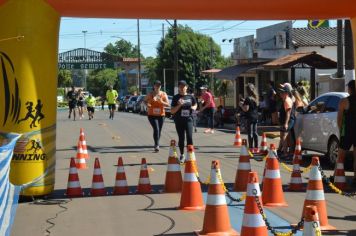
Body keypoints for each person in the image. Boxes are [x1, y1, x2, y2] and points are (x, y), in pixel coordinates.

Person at [171, 80, 197, 162]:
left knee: (189, 137)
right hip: (179, 120)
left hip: (189, 119)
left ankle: (190, 155)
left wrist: (194, 108)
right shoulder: (176, 97)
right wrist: (179, 105)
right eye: (180, 86)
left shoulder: (190, 97)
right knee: (181, 138)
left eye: (184, 86)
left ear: (187, 87)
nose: (182, 88)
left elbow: (195, 104)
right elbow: (172, 111)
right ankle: (182, 155)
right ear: (178, 87)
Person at [337, 80, 356, 186]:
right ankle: (355, 178)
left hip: (347, 131)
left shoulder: (344, 101)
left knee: (341, 156)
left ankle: (338, 176)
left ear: (349, 89)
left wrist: (341, 131)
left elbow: (339, 119)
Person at [144, 80, 170, 152]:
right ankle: (156, 145)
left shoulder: (163, 94)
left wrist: (161, 102)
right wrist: (147, 105)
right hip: (151, 115)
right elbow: (144, 101)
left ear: (160, 86)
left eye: (159, 85)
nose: (157, 86)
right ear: (154, 86)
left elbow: (168, 104)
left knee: (159, 130)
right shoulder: (150, 94)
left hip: (161, 115)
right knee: (156, 129)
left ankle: (156, 143)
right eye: (156, 85)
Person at [277, 83, 296, 157]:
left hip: (288, 120)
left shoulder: (287, 100)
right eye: (280, 92)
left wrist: (286, 123)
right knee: (286, 136)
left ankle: (285, 153)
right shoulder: (285, 99)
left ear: (286, 93)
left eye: (282, 92)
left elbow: (288, 113)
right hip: (285, 120)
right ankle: (288, 152)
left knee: (284, 136)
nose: (280, 93)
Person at [239, 83, 259, 153]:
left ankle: (251, 148)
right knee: (255, 132)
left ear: (247, 90)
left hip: (249, 116)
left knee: (250, 133)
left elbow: (246, 109)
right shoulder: (256, 97)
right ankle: (256, 148)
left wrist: (241, 105)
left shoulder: (248, 98)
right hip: (256, 116)